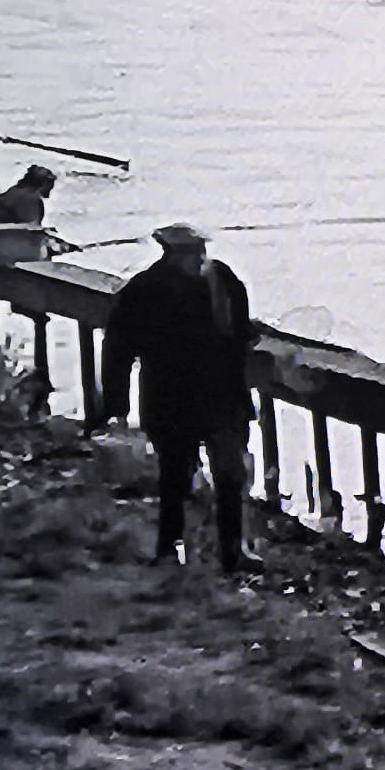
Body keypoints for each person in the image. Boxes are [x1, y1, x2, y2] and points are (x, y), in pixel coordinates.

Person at [96, 223, 262, 573]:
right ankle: (170, 550)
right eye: (190, 250)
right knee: (175, 479)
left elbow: (240, 332)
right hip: (171, 398)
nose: (198, 256)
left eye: (199, 248)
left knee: (230, 477)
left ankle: (232, 552)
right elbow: (118, 351)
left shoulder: (223, 281)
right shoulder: (143, 291)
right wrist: (116, 407)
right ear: (170, 254)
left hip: (220, 396)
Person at [0, 165, 77, 264]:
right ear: (45, 184)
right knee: (39, 251)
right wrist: (48, 239)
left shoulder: (14, 192)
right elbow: (31, 228)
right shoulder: (30, 198)